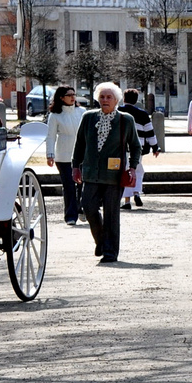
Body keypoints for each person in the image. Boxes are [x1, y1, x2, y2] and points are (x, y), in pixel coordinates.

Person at [71, 82, 140, 263]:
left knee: (111, 213)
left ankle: (110, 252)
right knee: (88, 206)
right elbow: (79, 144)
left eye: (109, 97)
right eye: (102, 97)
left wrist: (132, 167)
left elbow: (135, 146)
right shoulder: (88, 117)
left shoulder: (126, 120)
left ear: (116, 100)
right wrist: (75, 166)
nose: (105, 100)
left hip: (114, 175)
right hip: (91, 172)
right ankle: (101, 240)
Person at [44, 86, 85, 225]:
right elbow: (50, 136)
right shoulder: (55, 115)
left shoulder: (82, 112)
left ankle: (82, 209)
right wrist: (50, 154)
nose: (73, 97)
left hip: (82, 155)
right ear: (61, 97)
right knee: (69, 186)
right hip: (64, 156)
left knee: (83, 185)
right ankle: (70, 216)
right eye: (69, 95)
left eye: (74, 94)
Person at [119, 89, 159, 209]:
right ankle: (136, 192)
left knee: (125, 171)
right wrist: (155, 147)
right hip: (138, 146)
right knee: (137, 169)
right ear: (136, 100)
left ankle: (127, 201)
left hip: (121, 146)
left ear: (124, 98)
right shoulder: (142, 114)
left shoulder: (118, 111)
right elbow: (150, 131)